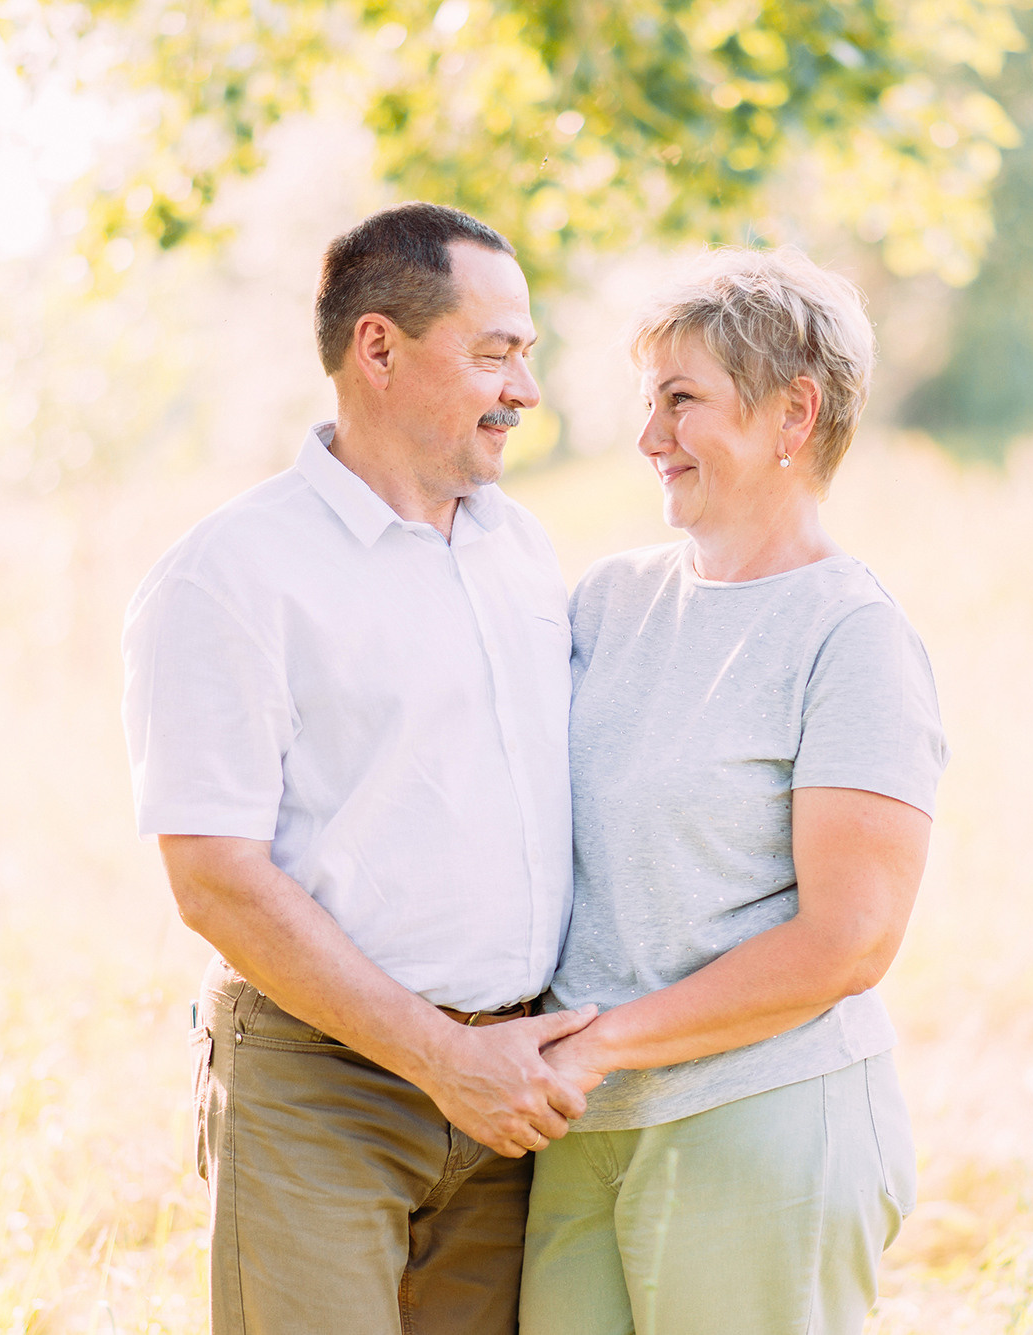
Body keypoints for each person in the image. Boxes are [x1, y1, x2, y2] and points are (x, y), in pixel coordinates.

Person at [121, 202, 596, 1335]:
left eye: (524, 355)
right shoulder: (229, 577)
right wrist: (438, 1057)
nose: (523, 391)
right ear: (377, 348)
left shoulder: (518, 547)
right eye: (495, 354)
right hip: (321, 1090)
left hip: (513, 1098)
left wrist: (491, 1065)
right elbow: (214, 880)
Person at [520, 247, 950, 1334]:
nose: (646, 437)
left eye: (681, 401)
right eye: (645, 400)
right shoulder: (608, 601)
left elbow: (847, 941)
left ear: (790, 415)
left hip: (760, 1120)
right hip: (582, 1128)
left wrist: (608, 1040)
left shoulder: (848, 637)